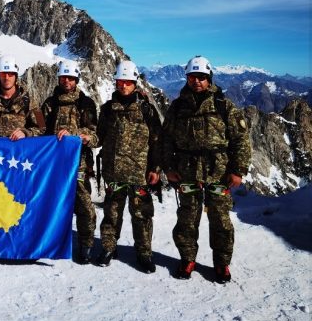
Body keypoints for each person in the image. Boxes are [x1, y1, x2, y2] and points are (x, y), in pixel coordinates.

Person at [162, 55, 251, 283]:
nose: (197, 81)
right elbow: (166, 139)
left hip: (219, 172)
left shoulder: (223, 105)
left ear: (209, 78)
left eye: (201, 77)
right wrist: (169, 167)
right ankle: (187, 259)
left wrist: (238, 170)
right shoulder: (177, 107)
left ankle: (221, 264)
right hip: (186, 171)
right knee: (187, 219)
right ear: (187, 78)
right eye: (192, 77)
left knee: (221, 221)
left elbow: (240, 140)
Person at [95, 60, 162, 273]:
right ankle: (108, 248)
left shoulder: (146, 109)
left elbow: (157, 141)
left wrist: (155, 169)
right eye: (120, 81)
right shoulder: (108, 109)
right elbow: (99, 137)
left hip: (139, 173)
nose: (123, 85)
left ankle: (144, 254)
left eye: (128, 82)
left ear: (134, 83)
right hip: (113, 171)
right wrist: (85, 138)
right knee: (111, 213)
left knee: (142, 216)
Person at [41, 60, 99, 265]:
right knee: (53, 205)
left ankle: (86, 245)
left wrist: (78, 135)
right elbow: (40, 131)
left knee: (84, 207)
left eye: (71, 78)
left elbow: (95, 135)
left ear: (77, 80)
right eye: (64, 77)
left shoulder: (86, 103)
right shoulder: (50, 103)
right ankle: (52, 242)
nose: (67, 81)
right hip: (53, 164)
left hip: (79, 163)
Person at [0, 55, 45, 139]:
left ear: (15, 76)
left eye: (10, 74)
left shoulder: (29, 100)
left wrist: (26, 133)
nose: (6, 78)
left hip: (19, 147)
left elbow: (42, 126)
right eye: (3, 74)